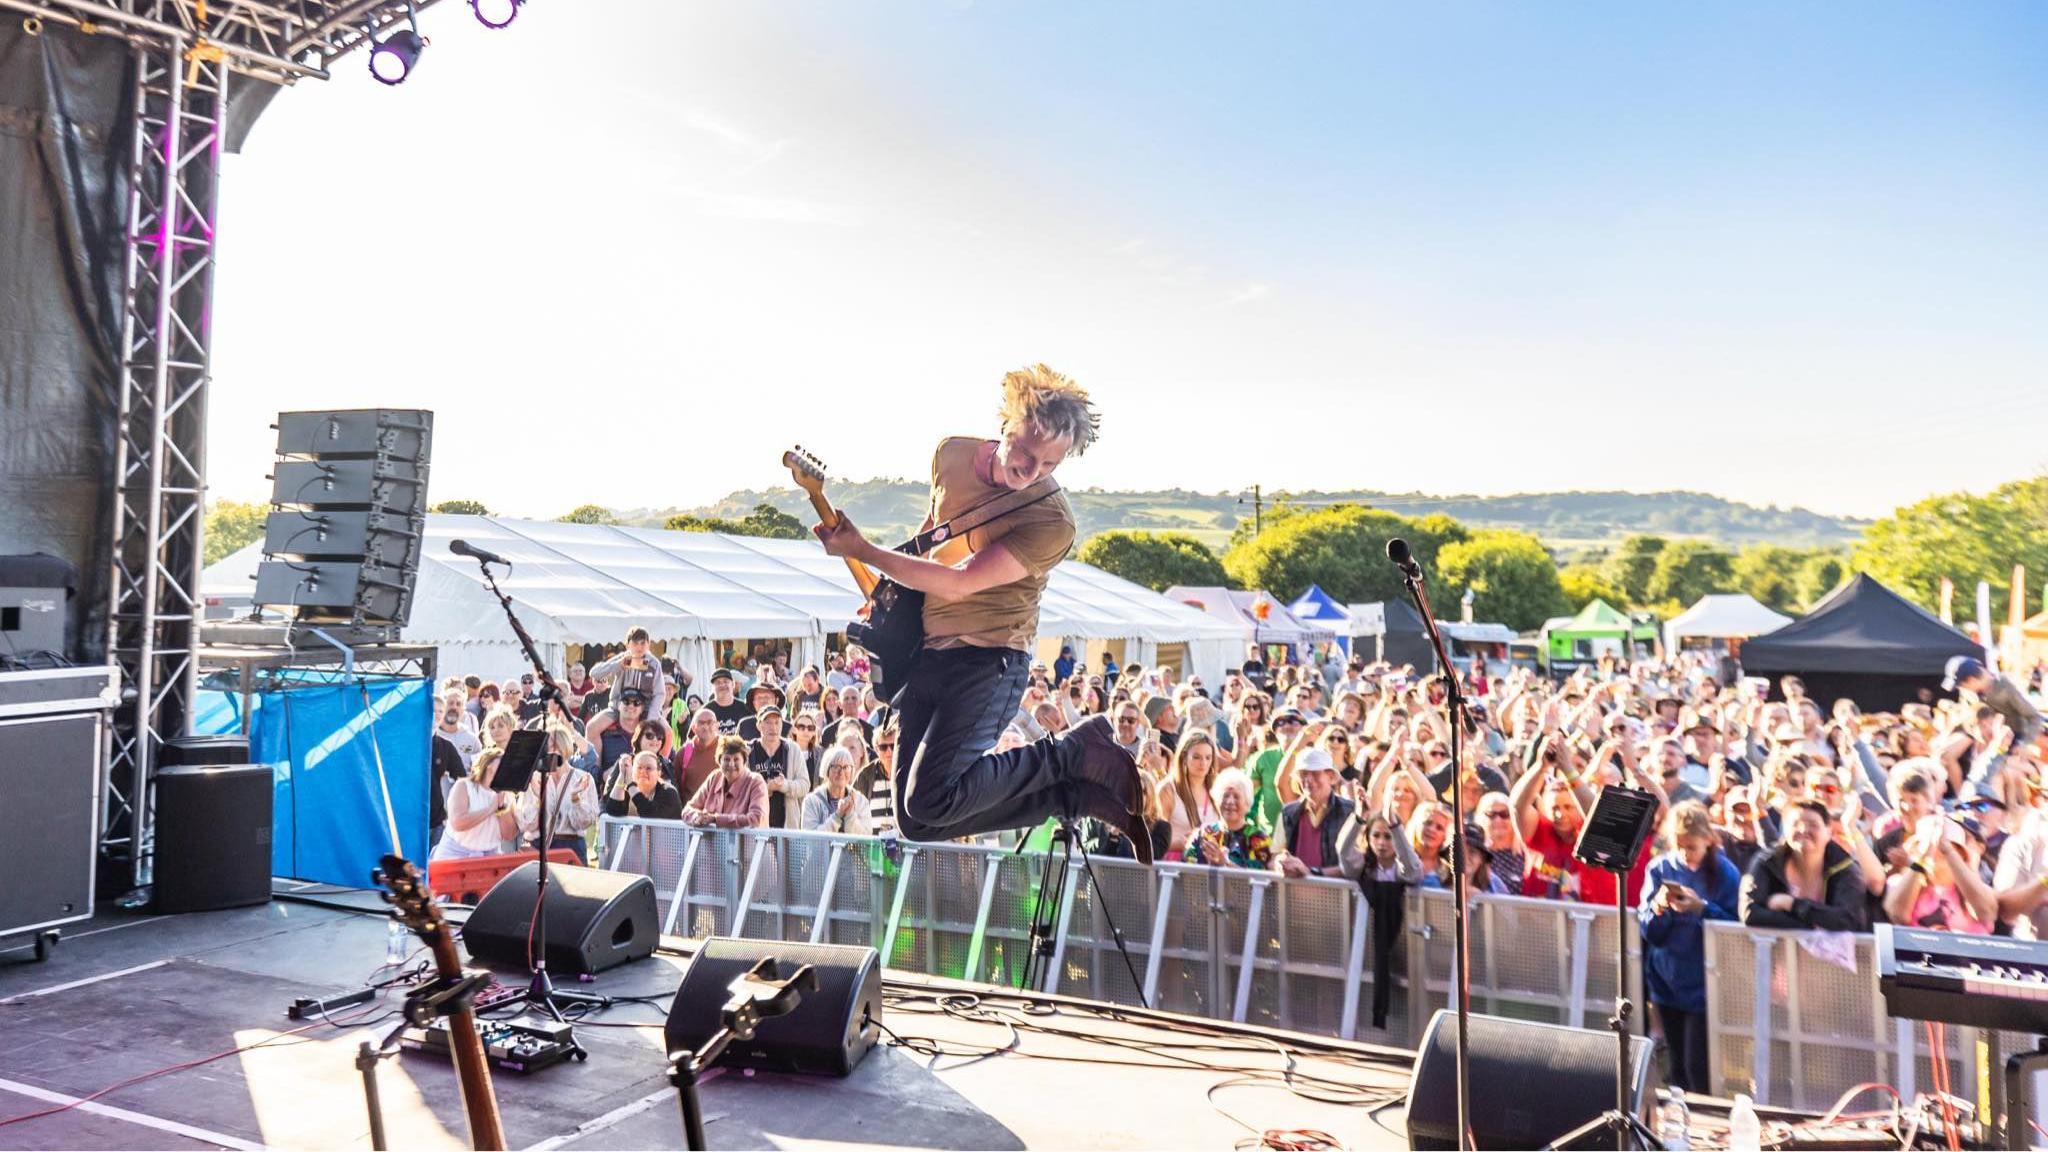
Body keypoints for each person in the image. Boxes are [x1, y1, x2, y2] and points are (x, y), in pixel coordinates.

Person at [813, 365, 1151, 860]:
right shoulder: (950, 455)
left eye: (1049, 465)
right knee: (916, 822)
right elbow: (935, 539)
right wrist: (889, 583)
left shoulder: (1052, 521)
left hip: (990, 662)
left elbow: (961, 582)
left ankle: (1073, 750)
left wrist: (864, 549)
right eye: (1026, 450)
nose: (1031, 470)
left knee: (932, 796)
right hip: (930, 653)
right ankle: (1073, 793)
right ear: (1007, 422)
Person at [1640, 801, 1741, 1094]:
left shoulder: (1725, 872)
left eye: (1692, 847)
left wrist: (1702, 908)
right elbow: (1649, 931)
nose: (1685, 853)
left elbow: (1735, 928)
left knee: (1698, 1067)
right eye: (1680, 846)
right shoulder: (1660, 868)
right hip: (1666, 980)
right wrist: (1659, 908)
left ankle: (1702, 1120)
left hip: (1705, 984)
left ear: (1708, 841)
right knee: (1678, 1068)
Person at [1339, 809, 1420, 1029]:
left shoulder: (1402, 867)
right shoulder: (1363, 864)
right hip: (1367, 942)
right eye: (1376, 836)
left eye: (1388, 836)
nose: (1382, 843)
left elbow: (1412, 871)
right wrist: (1357, 818)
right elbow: (1344, 853)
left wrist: (1396, 828)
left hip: (1402, 940)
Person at [1740, 799, 1867, 931]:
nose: (1804, 829)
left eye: (1813, 825)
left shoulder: (1845, 867)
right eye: (1795, 824)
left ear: (1828, 832)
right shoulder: (1767, 861)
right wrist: (1808, 926)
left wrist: (1792, 904)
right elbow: (1750, 913)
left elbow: (1847, 919)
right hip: (1778, 949)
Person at [1883, 813, 1996, 934]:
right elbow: (1898, 915)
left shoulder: (1977, 891)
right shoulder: (1898, 883)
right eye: (1928, 843)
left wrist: (1948, 851)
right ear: (1915, 848)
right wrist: (1925, 856)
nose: (1937, 848)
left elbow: (1986, 913)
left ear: (1961, 853)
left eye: (1953, 846)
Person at [515, 723, 601, 864]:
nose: (551, 751)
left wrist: (575, 800)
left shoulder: (582, 778)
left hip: (570, 848)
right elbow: (526, 824)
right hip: (538, 847)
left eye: (556, 746)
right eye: (547, 747)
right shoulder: (535, 778)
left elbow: (584, 823)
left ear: (565, 747)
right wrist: (538, 799)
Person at [1271, 748, 1354, 880]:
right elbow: (1274, 857)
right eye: (1303, 774)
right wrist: (1281, 864)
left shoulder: (1350, 812)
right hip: (1293, 894)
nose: (1308, 780)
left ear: (1331, 777)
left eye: (1315, 773)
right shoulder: (1288, 813)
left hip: (1336, 896)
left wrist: (1310, 872)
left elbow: (1354, 866)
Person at [433, 747, 519, 861]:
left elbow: (509, 835)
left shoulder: (506, 793)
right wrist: (490, 810)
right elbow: (458, 823)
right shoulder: (464, 786)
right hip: (454, 854)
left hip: (489, 856)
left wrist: (501, 809)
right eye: (501, 759)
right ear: (488, 763)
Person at [1157, 730, 1221, 860]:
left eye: (1208, 757)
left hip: (1209, 866)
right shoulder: (1168, 790)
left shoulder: (1218, 789)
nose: (1203, 763)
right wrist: (1180, 843)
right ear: (1184, 757)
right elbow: (1154, 840)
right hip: (1175, 866)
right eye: (1196, 757)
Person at [747, 704, 812, 829]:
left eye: (777, 722)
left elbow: (805, 785)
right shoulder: (748, 750)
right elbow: (739, 789)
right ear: (759, 725)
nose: (773, 727)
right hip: (755, 826)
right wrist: (766, 789)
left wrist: (784, 786)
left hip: (787, 827)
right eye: (768, 722)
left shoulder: (792, 749)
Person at [1192, 768, 1272, 869]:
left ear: (1247, 804)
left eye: (1236, 797)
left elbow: (1259, 875)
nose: (1230, 801)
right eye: (1225, 796)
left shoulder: (1259, 839)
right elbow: (1187, 864)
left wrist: (1225, 863)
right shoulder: (1205, 833)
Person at [683, 736, 769, 828]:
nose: (731, 764)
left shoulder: (755, 782)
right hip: (713, 842)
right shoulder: (715, 777)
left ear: (744, 761)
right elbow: (687, 810)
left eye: (736, 759)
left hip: (747, 842)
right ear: (719, 761)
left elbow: (756, 819)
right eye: (726, 759)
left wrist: (716, 819)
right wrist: (698, 817)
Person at [591, 627, 666, 711]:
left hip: (646, 711)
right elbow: (594, 673)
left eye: (642, 643)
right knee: (592, 724)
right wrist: (618, 664)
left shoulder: (654, 664)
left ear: (648, 645)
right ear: (627, 645)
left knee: (664, 725)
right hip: (619, 708)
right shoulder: (623, 658)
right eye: (635, 643)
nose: (639, 647)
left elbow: (659, 693)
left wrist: (651, 717)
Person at [801, 747, 871, 835]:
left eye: (846, 767)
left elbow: (866, 837)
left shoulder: (860, 801)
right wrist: (837, 817)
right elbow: (809, 838)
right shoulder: (812, 801)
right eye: (836, 767)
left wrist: (850, 815)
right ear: (826, 770)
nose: (841, 772)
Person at [603, 750, 684, 820]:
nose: (643, 771)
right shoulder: (626, 791)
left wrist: (631, 785)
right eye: (639, 767)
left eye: (649, 768)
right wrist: (622, 774)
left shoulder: (669, 792)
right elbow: (612, 811)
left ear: (659, 773)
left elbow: (650, 815)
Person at [851, 720, 900, 834]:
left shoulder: (907, 774)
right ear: (876, 749)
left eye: (893, 746)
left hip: (904, 847)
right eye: (883, 747)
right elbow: (853, 812)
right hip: (873, 847)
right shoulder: (865, 775)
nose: (889, 751)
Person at [704, 668, 753, 735]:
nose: (722, 685)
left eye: (725, 681)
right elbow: (692, 738)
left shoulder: (745, 708)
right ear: (713, 687)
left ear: (733, 684)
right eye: (718, 682)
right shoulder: (705, 711)